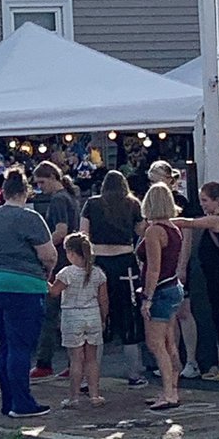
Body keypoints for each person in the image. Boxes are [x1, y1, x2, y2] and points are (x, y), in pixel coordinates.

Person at [0, 167, 57, 419]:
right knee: (21, 346)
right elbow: (48, 255)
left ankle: (8, 401)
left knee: (6, 345)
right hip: (23, 285)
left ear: (2, 192)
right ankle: (23, 403)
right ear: (26, 192)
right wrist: (46, 272)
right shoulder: (30, 218)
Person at [80, 170, 147, 388]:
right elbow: (142, 230)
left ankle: (90, 376)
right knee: (129, 315)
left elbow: (83, 235)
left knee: (97, 315)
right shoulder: (133, 203)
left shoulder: (91, 204)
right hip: (126, 262)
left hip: (99, 262)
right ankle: (135, 373)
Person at [174, 182, 219, 382]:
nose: (202, 204)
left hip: (218, 273)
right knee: (217, 314)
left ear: (217, 201)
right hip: (212, 272)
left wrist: (168, 220)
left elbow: (191, 223)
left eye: (205, 200)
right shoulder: (218, 219)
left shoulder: (216, 220)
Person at [147, 160, 200, 379]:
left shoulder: (180, 201)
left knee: (183, 312)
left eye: (156, 178)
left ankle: (191, 360)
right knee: (169, 317)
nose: (153, 183)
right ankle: (171, 361)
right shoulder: (153, 202)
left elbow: (186, 235)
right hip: (164, 265)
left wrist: (182, 264)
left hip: (176, 263)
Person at [29, 161, 80, 380]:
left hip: (59, 263)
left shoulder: (58, 199)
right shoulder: (70, 198)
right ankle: (73, 362)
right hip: (72, 260)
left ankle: (44, 362)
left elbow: (61, 231)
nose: (40, 188)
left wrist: (42, 247)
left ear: (52, 177)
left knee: (49, 314)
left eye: (41, 182)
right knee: (69, 314)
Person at [137, 182, 185, 410]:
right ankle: (172, 387)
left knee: (155, 343)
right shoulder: (174, 229)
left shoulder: (154, 231)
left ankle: (168, 393)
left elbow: (153, 268)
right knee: (169, 342)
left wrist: (147, 297)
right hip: (174, 286)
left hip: (161, 289)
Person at [49, 233, 108, 409]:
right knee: (91, 359)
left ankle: (74, 397)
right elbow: (104, 300)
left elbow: (54, 292)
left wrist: (45, 280)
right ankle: (95, 395)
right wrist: (104, 319)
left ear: (72, 253)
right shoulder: (98, 273)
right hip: (93, 315)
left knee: (76, 359)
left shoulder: (67, 273)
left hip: (72, 316)